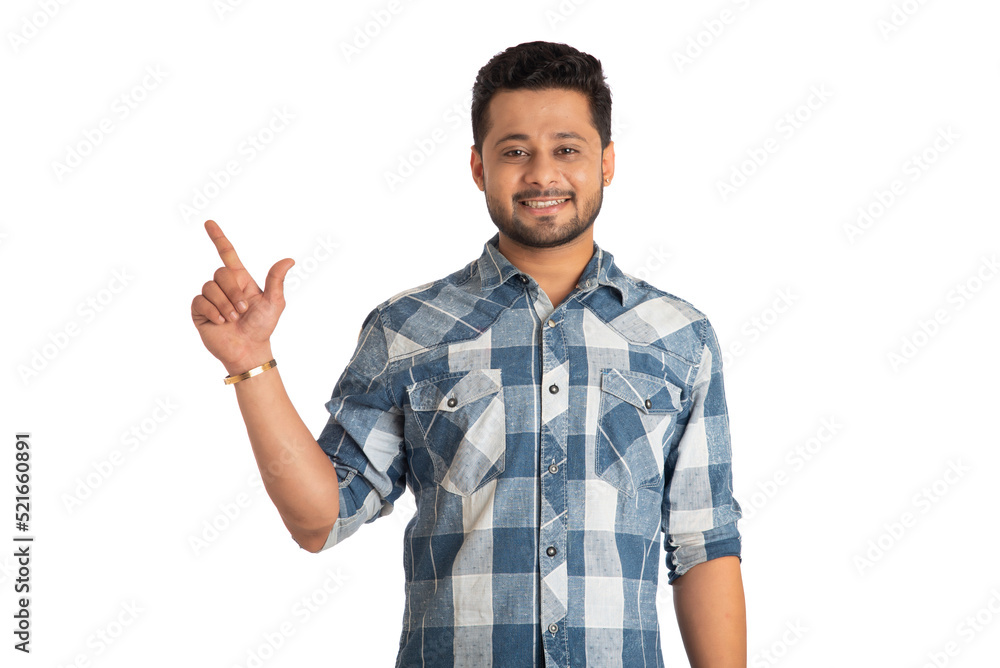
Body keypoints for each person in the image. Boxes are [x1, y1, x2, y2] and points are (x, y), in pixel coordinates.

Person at [191, 40, 746, 667]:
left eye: (567, 149)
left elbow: (704, 544)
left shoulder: (679, 337)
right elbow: (319, 520)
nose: (542, 174)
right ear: (479, 167)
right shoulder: (407, 330)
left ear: (607, 162)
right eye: (515, 152)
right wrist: (251, 362)